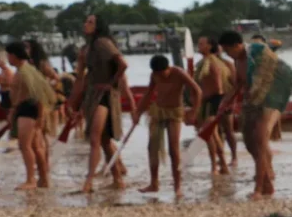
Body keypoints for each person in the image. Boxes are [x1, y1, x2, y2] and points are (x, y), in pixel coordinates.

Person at [219, 32, 292, 198]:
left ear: (237, 45)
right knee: (249, 143)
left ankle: (258, 190)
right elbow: (239, 84)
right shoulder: (237, 61)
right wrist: (226, 101)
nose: (227, 54)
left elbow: (268, 72)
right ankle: (267, 184)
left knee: (260, 141)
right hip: (251, 101)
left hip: (269, 99)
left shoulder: (257, 54)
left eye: (227, 50)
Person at [69, 14, 135, 193]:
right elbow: (80, 78)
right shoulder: (86, 48)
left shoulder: (103, 43)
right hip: (92, 94)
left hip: (105, 95)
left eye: (90, 22)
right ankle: (118, 178)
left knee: (95, 138)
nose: (86, 24)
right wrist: (73, 104)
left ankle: (88, 181)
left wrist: (111, 83)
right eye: (86, 21)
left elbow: (123, 65)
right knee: (104, 140)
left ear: (98, 26)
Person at [133, 55, 201, 197]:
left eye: (162, 73)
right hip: (158, 111)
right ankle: (154, 184)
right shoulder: (154, 75)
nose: (160, 76)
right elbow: (148, 93)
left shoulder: (179, 73)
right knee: (152, 147)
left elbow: (197, 91)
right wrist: (138, 111)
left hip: (175, 112)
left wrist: (194, 111)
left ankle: (177, 186)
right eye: (156, 73)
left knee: (173, 149)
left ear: (167, 68)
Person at [5, 42, 55, 190]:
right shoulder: (26, 69)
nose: (7, 58)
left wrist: (40, 116)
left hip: (29, 109)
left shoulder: (25, 72)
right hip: (25, 109)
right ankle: (43, 179)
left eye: (8, 55)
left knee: (25, 146)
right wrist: (13, 113)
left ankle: (31, 179)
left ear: (13, 55)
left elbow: (38, 94)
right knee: (35, 146)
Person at [195, 36, 231, 176]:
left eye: (201, 43)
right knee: (212, 135)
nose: (198, 45)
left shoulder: (213, 63)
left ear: (210, 46)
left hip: (212, 101)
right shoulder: (203, 63)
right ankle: (220, 165)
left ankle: (217, 166)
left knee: (210, 135)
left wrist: (202, 99)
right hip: (207, 101)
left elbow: (218, 88)